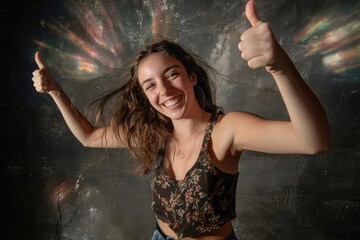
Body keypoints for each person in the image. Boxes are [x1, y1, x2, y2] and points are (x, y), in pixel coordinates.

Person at [32, 0, 331, 239]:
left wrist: (279, 67)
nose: (164, 90)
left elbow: (313, 141)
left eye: (171, 74)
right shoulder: (154, 133)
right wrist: (55, 91)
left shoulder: (226, 130)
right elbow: (88, 137)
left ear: (191, 76)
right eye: (150, 85)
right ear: (146, 96)